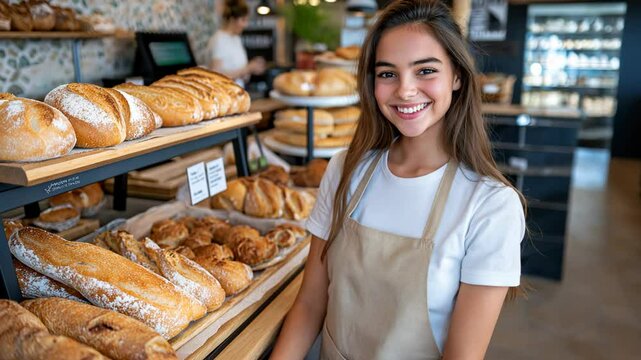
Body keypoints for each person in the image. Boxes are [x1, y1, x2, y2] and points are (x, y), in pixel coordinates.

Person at [270, 0, 526, 359]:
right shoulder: (346, 169)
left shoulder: (491, 205)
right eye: (388, 73)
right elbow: (310, 304)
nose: (405, 90)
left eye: (425, 71)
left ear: (457, 77)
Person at [207, 0, 265, 87]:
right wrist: (248, 68)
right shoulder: (220, 40)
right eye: (243, 20)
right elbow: (215, 75)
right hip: (226, 96)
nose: (246, 25)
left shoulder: (236, 38)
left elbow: (239, 71)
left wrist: (252, 67)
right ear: (232, 19)